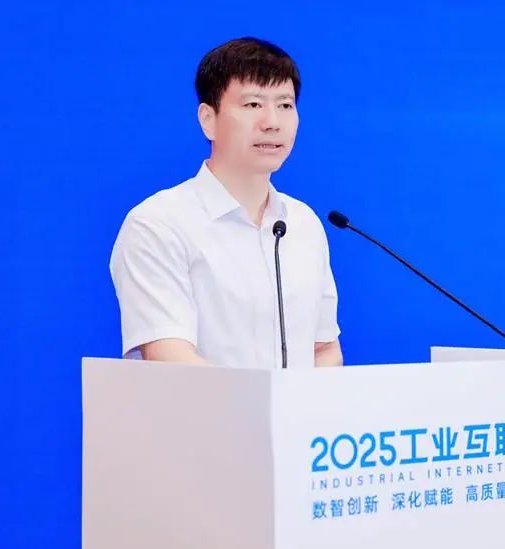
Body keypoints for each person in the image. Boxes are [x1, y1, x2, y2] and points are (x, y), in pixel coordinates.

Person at [109, 37, 342, 368]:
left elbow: (324, 350)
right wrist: (261, 402)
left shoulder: (303, 224)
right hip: (200, 405)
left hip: (294, 407)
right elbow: (169, 356)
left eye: (285, 105)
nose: (272, 122)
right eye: (253, 105)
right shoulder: (157, 223)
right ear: (208, 119)